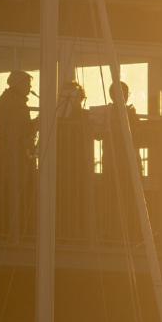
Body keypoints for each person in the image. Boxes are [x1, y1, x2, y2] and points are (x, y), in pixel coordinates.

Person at [0, 70, 37, 241]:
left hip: (7, 154)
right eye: (27, 84)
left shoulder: (9, 99)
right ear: (18, 83)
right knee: (11, 193)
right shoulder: (13, 102)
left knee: (6, 193)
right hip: (11, 157)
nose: (30, 87)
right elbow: (17, 131)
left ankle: (6, 232)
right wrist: (37, 124)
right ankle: (11, 234)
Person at [94, 80, 140, 240]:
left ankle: (120, 233)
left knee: (122, 198)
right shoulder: (117, 113)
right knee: (115, 197)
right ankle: (116, 233)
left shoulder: (119, 113)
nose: (125, 97)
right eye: (123, 94)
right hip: (118, 161)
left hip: (119, 161)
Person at [56, 81, 91, 238]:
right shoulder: (58, 116)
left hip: (78, 162)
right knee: (62, 196)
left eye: (78, 98)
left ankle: (76, 232)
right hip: (62, 161)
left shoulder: (84, 115)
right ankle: (63, 230)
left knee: (78, 197)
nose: (78, 102)